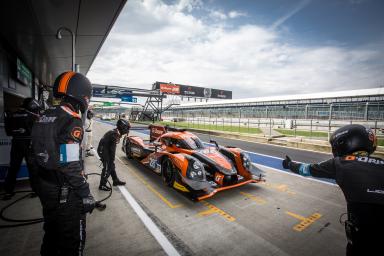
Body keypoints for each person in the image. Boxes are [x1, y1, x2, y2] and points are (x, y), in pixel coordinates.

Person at [282, 124, 384, 256]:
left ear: (342, 143)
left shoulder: (341, 162)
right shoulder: (381, 162)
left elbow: (306, 170)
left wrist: (289, 164)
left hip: (365, 237)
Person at [31, 71, 95, 255]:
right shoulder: (72, 120)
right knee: (71, 241)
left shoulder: (44, 115)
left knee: (51, 233)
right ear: (83, 95)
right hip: (65, 191)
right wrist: (85, 193)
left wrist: (38, 184)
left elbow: (32, 152)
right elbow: (70, 164)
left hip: (45, 185)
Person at [2, 98, 41, 200]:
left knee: (13, 168)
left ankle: (8, 192)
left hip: (16, 143)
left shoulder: (11, 115)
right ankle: (35, 190)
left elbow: (8, 132)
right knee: (32, 168)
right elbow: (38, 132)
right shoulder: (34, 116)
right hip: (28, 143)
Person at [97, 119, 130, 191]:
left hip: (105, 149)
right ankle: (102, 185)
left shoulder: (115, 132)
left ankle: (115, 180)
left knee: (111, 166)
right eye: (126, 128)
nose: (127, 130)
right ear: (122, 127)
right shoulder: (114, 134)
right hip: (103, 151)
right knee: (107, 167)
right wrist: (111, 160)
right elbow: (112, 150)